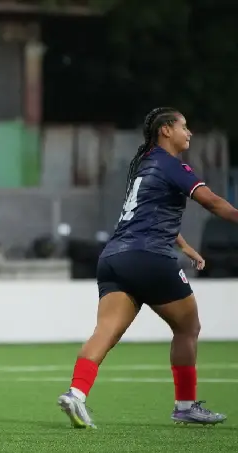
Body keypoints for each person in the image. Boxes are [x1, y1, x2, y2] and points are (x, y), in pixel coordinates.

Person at [57, 107, 232, 429]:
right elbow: (213, 202)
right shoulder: (172, 165)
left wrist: (185, 247)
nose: (189, 133)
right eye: (184, 126)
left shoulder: (144, 166)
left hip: (113, 258)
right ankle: (185, 405)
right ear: (166, 130)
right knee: (187, 328)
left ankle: (76, 394)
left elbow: (147, 214)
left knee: (105, 332)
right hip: (149, 257)